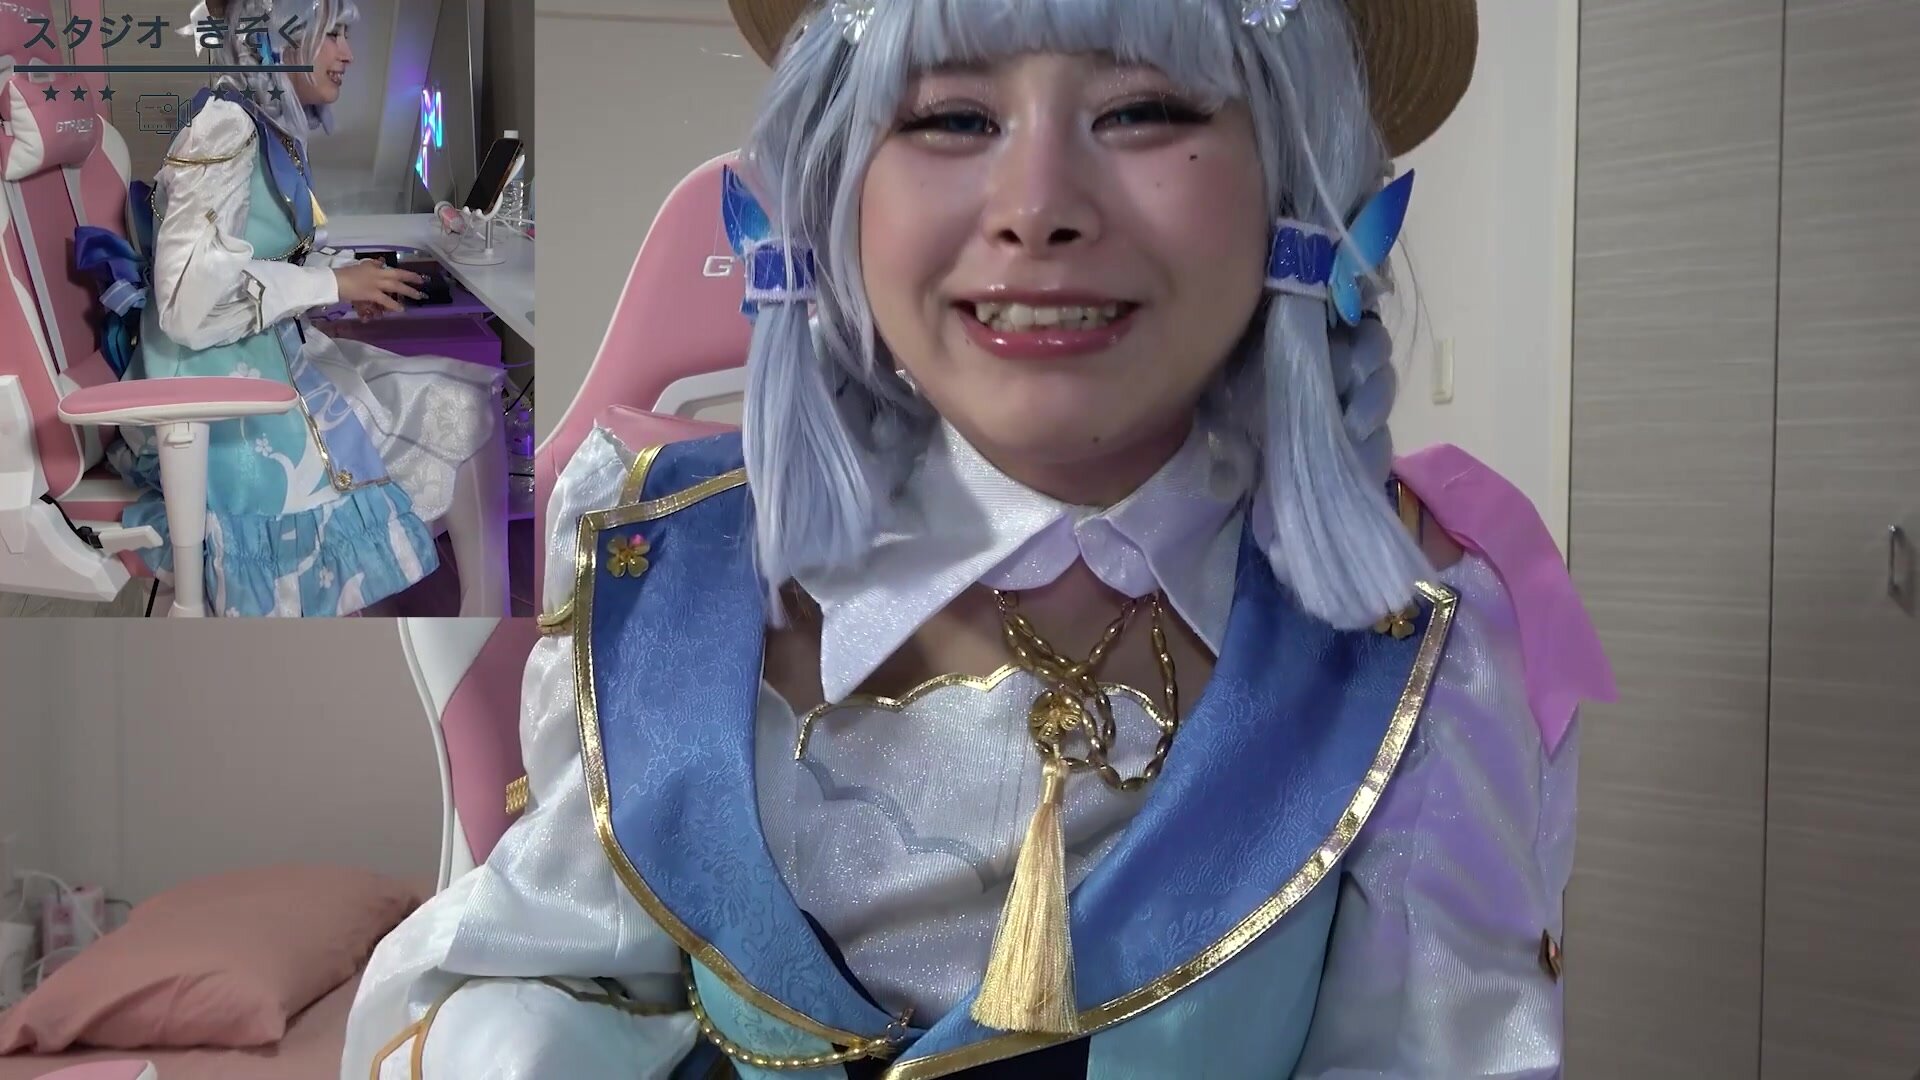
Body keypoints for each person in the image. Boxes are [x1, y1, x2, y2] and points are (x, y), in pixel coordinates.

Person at [345, 0, 1616, 1075]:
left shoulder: (1416, 648)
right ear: (839, 186)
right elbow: (540, 978)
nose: (1037, 205)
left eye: (1146, 109)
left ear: (1294, 184)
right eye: (951, 118)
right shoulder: (672, 567)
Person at [108, 0, 507, 617]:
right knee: (463, 406)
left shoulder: (260, 123)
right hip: (222, 383)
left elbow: (263, 253)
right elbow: (186, 306)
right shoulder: (225, 128)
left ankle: (484, 615)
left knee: (470, 400)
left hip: (266, 355)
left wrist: (346, 281)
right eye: (334, 33)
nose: (348, 53)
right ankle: (485, 617)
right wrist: (331, 285)